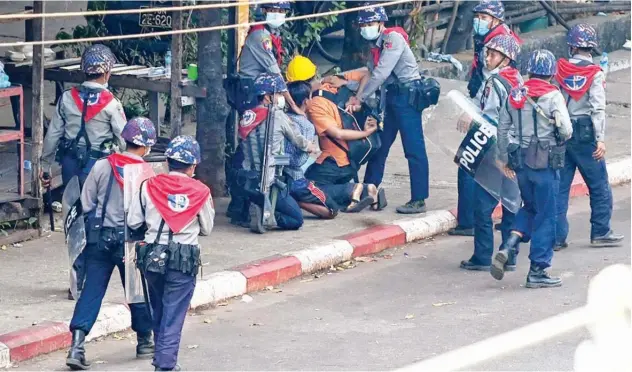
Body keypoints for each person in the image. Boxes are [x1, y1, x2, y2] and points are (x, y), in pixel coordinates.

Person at [65, 117, 157, 371]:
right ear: (146, 147)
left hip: (99, 240)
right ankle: (144, 341)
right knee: (136, 291)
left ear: (124, 140)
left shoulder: (102, 165)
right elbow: (147, 213)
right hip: (131, 242)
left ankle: (77, 344)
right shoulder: (146, 173)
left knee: (92, 291)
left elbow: (86, 203)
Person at [128, 135, 214, 371]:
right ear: (193, 165)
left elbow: (134, 221)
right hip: (183, 259)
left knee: (160, 308)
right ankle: (165, 365)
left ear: (167, 161)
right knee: (174, 314)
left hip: (151, 257)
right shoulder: (202, 191)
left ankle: (161, 358)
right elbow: (207, 228)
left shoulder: (148, 185)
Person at [494, 50, 573, 288]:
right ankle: (538, 269)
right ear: (551, 73)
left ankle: (510, 243)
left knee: (529, 208)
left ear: (529, 71)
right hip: (545, 164)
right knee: (546, 216)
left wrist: (503, 158)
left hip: (520, 163)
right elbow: (567, 131)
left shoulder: (515, 94)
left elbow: (502, 129)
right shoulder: (553, 96)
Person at [345, 5, 430, 214]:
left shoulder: (392, 39)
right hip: (392, 99)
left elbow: (381, 74)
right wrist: (355, 94)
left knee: (413, 149)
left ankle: (419, 199)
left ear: (381, 24)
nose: (366, 28)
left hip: (407, 99)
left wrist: (359, 98)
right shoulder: (375, 47)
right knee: (381, 146)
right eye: (363, 24)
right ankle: (369, 189)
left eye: (370, 24)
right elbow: (371, 76)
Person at [451, 0, 519, 235]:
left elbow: (492, 103)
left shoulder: (500, 47)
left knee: (470, 167)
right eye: (477, 15)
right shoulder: (497, 44)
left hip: (490, 128)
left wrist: (474, 116)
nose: (478, 20)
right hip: (497, 127)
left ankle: (471, 224)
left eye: (484, 17)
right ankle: (508, 229)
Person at [285, 55, 386, 213]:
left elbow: (337, 134)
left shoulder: (313, 104)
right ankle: (367, 192)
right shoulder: (331, 81)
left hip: (335, 162)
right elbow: (366, 72)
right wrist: (357, 97)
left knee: (306, 187)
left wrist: (365, 132)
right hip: (353, 157)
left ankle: (354, 190)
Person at [555, 24, 624, 249]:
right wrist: (601, 138)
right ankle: (601, 231)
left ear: (572, 46)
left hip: (562, 133)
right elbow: (598, 108)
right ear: (591, 48)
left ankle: (556, 237)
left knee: (560, 188)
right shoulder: (595, 74)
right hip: (586, 135)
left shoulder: (560, 69)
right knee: (599, 185)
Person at [459, 35, 523, 271]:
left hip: (495, 149)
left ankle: (482, 256)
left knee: (483, 205)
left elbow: (490, 117)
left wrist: (472, 119)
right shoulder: (517, 80)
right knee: (510, 204)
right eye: (487, 53)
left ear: (506, 59)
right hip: (516, 149)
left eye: (493, 55)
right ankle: (510, 254)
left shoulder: (495, 83)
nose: (488, 58)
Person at [41, 44, 126, 189]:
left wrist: (44, 166)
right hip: (99, 165)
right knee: (95, 208)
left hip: (70, 162)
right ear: (107, 73)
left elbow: (52, 135)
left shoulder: (66, 97)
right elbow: (123, 140)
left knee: (71, 204)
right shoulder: (112, 104)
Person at [239, 73, 317, 230]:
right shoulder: (278, 116)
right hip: (270, 181)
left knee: (281, 159)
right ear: (268, 96)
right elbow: (298, 141)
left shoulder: (247, 116)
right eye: (280, 94)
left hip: (248, 180)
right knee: (296, 219)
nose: (282, 98)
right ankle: (267, 215)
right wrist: (311, 147)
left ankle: (248, 210)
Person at [237, 1, 302, 114]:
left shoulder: (271, 32)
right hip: (250, 85)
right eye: (273, 10)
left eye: (281, 11)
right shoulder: (260, 36)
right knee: (280, 101)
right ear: (264, 11)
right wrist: (293, 105)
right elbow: (275, 72)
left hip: (260, 80)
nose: (277, 14)